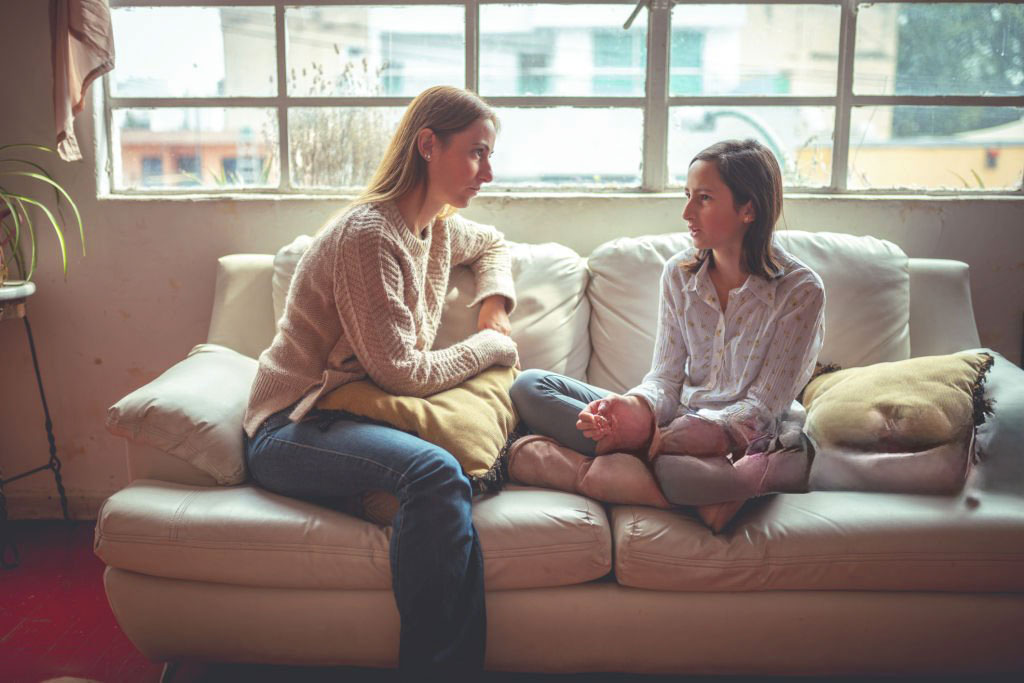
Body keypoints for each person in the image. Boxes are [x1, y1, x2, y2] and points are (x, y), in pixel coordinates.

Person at [242, 86, 518, 672]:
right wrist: (489, 346)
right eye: (477, 153)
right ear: (427, 145)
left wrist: (494, 303)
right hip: (293, 424)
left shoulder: (437, 229)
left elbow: (492, 243)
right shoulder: (369, 235)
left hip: (353, 414)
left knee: (456, 479)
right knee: (437, 472)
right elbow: (404, 373)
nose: (487, 173)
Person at [510, 139, 825, 516]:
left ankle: (614, 470)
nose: (686, 212)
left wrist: (704, 433)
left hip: (743, 442)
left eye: (704, 198)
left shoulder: (800, 291)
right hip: (672, 424)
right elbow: (665, 378)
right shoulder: (678, 274)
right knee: (529, 387)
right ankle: (657, 470)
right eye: (687, 195)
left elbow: (763, 408)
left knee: (684, 473)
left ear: (749, 209)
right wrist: (635, 408)